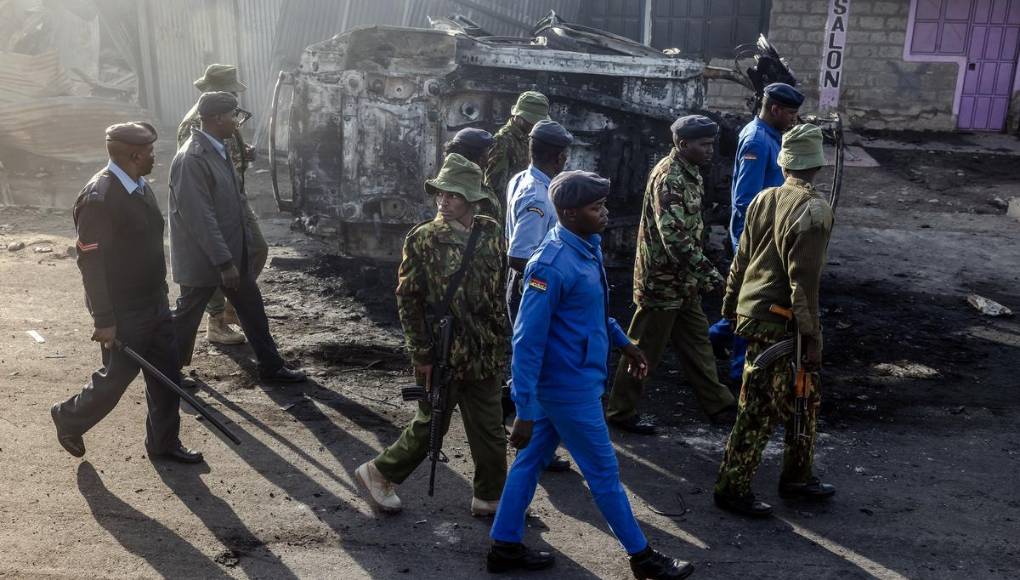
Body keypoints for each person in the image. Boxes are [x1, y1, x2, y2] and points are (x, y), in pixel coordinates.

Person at [487, 171, 694, 579]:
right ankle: (643, 558)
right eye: (595, 208)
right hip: (567, 389)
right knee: (604, 474)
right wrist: (524, 409)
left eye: (603, 205)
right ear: (568, 213)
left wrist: (623, 341)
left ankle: (504, 546)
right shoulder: (550, 263)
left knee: (529, 462)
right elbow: (527, 341)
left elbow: (590, 312)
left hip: (572, 380)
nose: (605, 213)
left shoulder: (584, 245)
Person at [355, 154, 508, 516]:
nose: (444, 200)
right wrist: (421, 354)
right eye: (441, 193)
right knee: (432, 424)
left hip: (483, 349)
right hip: (444, 351)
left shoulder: (489, 232)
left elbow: (498, 289)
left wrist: (501, 340)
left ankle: (490, 497)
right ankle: (379, 472)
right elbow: (409, 299)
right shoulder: (424, 238)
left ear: (472, 199)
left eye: (454, 195)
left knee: (490, 429)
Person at [50, 122, 203, 464]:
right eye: (149, 151)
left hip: (153, 300)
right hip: (124, 310)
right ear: (134, 155)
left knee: (166, 374)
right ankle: (69, 416)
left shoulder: (137, 185)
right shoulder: (99, 199)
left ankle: (163, 443)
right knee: (115, 380)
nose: (153, 156)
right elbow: (89, 263)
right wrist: (104, 319)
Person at [713, 124, 835, 518]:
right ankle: (732, 488)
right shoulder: (814, 210)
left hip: (757, 315)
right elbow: (805, 284)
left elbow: (740, 259)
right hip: (781, 325)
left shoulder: (764, 198)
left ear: (784, 162)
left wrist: (730, 307)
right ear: (818, 164)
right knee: (760, 408)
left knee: (806, 398)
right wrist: (812, 336)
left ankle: (798, 476)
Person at [606, 115, 737, 435]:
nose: (710, 150)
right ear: (682, 144)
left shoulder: (691, 173)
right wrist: (710, 275)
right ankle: (621, 411)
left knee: (698, 346)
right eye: (704, 145)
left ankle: (719, 405)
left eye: (711, 144)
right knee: (643, 349)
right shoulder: (670, 178)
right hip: (662, 284)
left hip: (682, 282)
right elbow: (674, 238)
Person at [169, 91, 305, 384]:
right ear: (217, 118)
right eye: (233, 116)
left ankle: (271, 366)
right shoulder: (192, 158)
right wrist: (223, 262)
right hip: (206, 259)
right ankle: (168, 375)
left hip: (231, 253)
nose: (236, 122)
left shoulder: (219, 149)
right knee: (186, 318)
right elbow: (201, 219)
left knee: (253, 311)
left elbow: (236, 202)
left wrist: (242, 250)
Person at [709, 83, 804, 384]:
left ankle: (713, 338)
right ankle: (740, 376)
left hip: (764, 234)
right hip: (756, 238)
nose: (793, 119)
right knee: (754, 305)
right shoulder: (757, 142)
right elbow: (745, 199)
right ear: (774, 109)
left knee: (744, 301)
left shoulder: (769, 136)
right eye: (790, 113)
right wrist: (762, 242)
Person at [177, 64, 266, 347]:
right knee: (214, 263)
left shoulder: (225, 113)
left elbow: (227, 147)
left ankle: (230, 306)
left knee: (256, 249)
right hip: (214, 202)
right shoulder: (194, 123)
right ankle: (215, 322)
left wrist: (243, 153)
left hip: (235, 196)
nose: (235, 98)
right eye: (230, 91)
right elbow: (198, 163)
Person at [502, 119, 573, 473]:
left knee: (530, 361)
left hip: (524, 285)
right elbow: (519, 254)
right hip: (532, 288)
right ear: (559, 157)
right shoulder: (539, 196)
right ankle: (532, 446)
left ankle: (528, 435)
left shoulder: (520, 179)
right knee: (538, 364)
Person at [484, 90, 550, 217]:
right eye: (533, 122)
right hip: (508, 211)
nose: (536, 125)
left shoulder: (529, 137)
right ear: (520, 118)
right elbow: (494, 187)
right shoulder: (503, 141)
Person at [443, 128, 498, 219]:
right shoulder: (476, 197)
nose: (487, 162)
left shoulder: (446, 187)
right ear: (478, 159)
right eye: (485, 155)